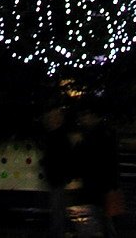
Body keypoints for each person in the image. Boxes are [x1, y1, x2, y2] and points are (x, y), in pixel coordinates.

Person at [71, 107, 122, 238]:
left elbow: (88, 157)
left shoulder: (95, 135)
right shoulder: (102, 133)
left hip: (98, 184)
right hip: (101, 183)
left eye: (85, 115)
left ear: (93, 116)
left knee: (101, 217)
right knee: (104, 218)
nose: (83, 119)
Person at [40, 100, 75, 238]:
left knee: (57, 206)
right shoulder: (59, 135)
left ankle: (58, 232)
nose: (52, 120)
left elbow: (60, 156)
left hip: (56, 175)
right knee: (58, 205)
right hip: (57, 175)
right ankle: (58, 231)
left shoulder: (57, 136)